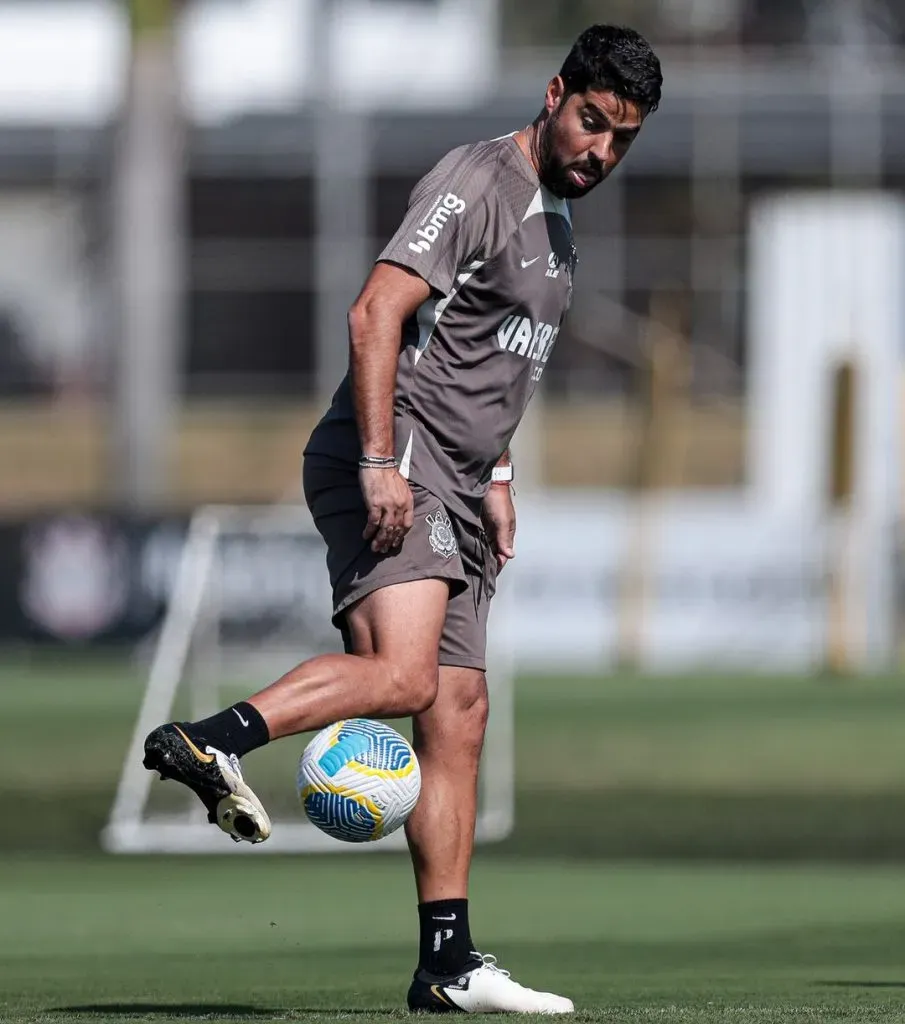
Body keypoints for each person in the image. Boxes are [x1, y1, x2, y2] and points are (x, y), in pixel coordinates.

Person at [143, 23, 662, 1015]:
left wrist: (499, 472)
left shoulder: (557, 226)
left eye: (621, 137)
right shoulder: (474, 184)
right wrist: (382, 461)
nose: (600, 148)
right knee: (406, 676)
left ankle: (447, 964)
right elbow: (375, 313)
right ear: (554, 94)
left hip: (460, 482)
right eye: (591, 120)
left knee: (454, 718)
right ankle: (209, 740)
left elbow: (488, 364)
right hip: (393, 457)